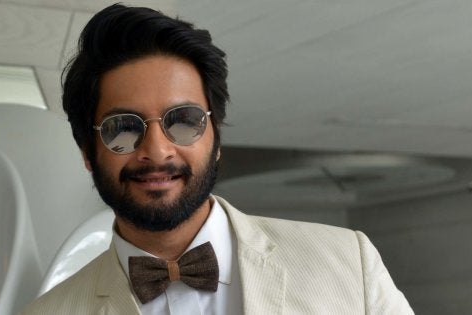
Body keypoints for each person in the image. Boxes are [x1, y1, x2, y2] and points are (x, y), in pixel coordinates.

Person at [20, 3, 414, 314]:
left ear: (216, 136)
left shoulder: (346, 262)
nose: (157, 150)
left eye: (184, 120)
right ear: (88, 152)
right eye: (122, 128)